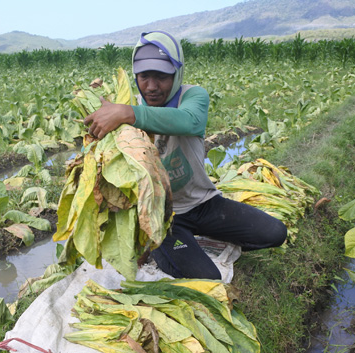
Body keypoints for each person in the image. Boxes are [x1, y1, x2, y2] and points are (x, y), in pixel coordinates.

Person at [84, 30, 287, 280]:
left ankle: (192, 240)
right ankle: (157, 244)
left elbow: (190, 122)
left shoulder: (191, 96)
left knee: (275, 233)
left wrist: (128, 114)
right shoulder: (125, 108)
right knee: (207, 278)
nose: (151, 86)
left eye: (162, 77)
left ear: (177, 74)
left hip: (203, 204)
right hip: (161, 217)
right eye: (144, 76)